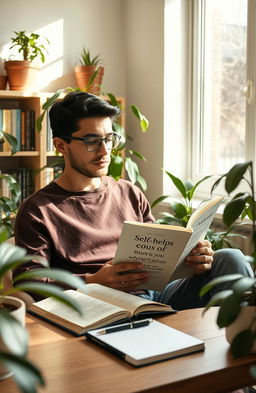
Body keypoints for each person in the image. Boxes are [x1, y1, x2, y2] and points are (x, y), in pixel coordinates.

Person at [14, 91, 252, 309]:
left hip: (154, 293)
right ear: (60, 146)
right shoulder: (38, 210)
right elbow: (31, 283)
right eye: (91, 141)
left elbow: (158, 257)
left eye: (108, 139)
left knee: (230, 259)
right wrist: (92, 281)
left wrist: (191, 259)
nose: (105, 151)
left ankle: (245, 350)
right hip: (98, 302)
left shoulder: (129, 193)